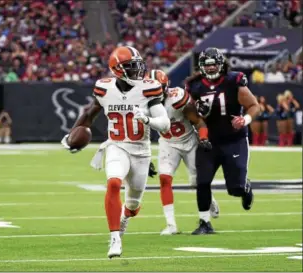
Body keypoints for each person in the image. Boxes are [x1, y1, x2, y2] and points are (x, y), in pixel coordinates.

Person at [61, 46, 170, 258]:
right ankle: (114, 239)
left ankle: (125, 217)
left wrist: (147, 120)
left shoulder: (149, 88)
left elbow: (164, 124)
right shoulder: (104, 88)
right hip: (116, 145)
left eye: (138, 66)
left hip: (141, 150)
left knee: (133, 205)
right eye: (131, 67)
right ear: (117, 70)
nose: (137, 72)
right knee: (113, 183)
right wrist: (71, 135)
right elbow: (89, 115)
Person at [185, 47, 260, 235]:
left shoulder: (233, 81)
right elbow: (189, 112)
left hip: (234, 139)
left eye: (214, 65)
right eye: (207, 65)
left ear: (221, 64)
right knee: (202, 182)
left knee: (235, 188)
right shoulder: (194, 86)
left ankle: (245, 188)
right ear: (201, 66)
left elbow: (253, 106)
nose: (210, 69)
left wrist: (245, 120)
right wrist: (197, 117)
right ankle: (204, 222)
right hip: (209, 141)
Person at [146, 69, 219, 235]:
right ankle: (171, 225)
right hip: (168, 143)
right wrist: (146, 158)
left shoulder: (176, 98)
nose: (153, 95)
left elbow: (198, 121)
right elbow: (143, 134)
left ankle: (210, 200)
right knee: (164, 179)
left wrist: (203, 138)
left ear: (165, 88)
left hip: (188, 141)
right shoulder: (143, 103)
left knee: (198, 183)